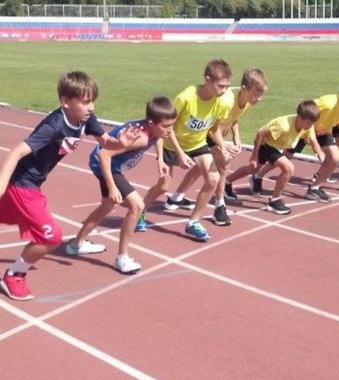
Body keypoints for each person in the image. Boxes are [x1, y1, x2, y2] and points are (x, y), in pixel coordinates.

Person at [0, 71, 127, 301]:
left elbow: (106, 141)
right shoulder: (54, 126)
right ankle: (14, 275)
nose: (91, 107)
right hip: (23, 185)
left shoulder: (87, 118)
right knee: (50, 236)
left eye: (93, 101)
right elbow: (17, 151)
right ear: (65, 102)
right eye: (86, 101)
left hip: (33, 183)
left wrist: (124, 142)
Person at [64, 96, 177, 274]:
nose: (170, 130)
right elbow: (103, 156)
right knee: (137, 206)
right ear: (151, 123)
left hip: (110, 164)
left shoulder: (156, 130)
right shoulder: (140, 138)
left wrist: (160, 159)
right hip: (105, 165)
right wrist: (112, 186)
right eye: (166, 126)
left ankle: (75, 245)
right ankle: (122, 258)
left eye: (172, 125)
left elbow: (160, 137)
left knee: (107, 206)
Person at [160, 68, 268, 227]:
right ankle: (220, 205)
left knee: (200, 168)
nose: (259, 98)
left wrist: (236, 137)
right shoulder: (226, 101)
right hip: (208, 133)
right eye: (256, 94)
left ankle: (175, 198)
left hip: (215, 134)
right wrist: (223, 146)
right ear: (245, 89)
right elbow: (212, 127)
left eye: (261, 95)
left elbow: (234, 119)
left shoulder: (246, 101)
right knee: (223, 164)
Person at [141, 59, 232, 242]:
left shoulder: (221, 102)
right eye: (220, 86)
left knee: (213, 179)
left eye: (227, 87)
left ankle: (193, 222)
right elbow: (168, 127)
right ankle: (139, 211)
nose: (223, 91)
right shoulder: (185, 98)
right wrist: (180, 153)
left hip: (197, 144)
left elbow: (213, 129)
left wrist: (223, 146)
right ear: (207, 80)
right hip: (171, 144)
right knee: (164, 186)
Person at [257, 79, 339, 197]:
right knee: (286, 157)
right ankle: (258, 175)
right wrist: (307, 134)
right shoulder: (328, 103)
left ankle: (314, 188)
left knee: (336, 158)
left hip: (322, 132)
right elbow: (306, 110)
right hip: (305, 129)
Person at [225, 100, 322, 215]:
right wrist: (254, 155)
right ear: (300, 118)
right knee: (288, 168)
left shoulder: (307, 126)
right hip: (266, 144)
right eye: (308, 124)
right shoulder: (283, 126)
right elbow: (260, 133)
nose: (310, 127)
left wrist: (320, 153)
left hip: (277, 146)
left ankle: (227, 181)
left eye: (312, 124)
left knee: (253, 168)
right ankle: (274, 201)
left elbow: (312, 140)